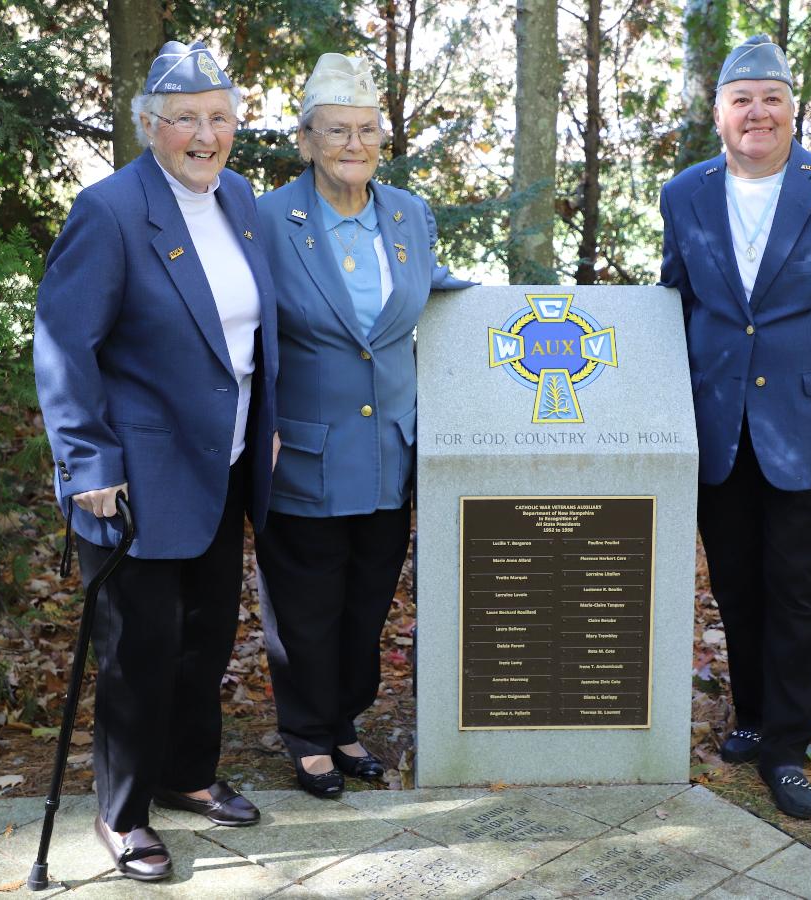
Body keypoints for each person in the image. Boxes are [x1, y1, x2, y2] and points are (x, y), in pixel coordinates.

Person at [34, 41, 279, 879]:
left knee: (207, 637)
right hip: (135, 476)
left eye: (219, 117)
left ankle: (186, 777)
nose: (205, 135)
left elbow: (247, 333)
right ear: (149, 126)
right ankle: (123, 812)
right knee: (140, 648)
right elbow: (65, 345)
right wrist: (85, 461)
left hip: (227, 461)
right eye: (186, 119)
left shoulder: (240, 199)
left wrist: (268, 417)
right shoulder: (107, 211)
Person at [660, 34, 811, 819]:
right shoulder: (684, 193)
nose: (756, 112)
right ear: (719, 113)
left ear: (793, 110)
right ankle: (754, 715)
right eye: (742, 100)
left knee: (801, 591)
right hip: (718, 425)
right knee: (737, 584)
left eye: (771, 98)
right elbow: (675, 304)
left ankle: (788, 746)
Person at [254, 53, 471, 797]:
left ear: (384, 138)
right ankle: (308, 733)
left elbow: (433, 291)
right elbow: (238, 325)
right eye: (336, 131)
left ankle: (344, 722)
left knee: (368, 599)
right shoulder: (266, 220)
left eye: (367, 130)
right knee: (306, 605)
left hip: (389, 453)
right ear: (306, 140)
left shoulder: (408, 213)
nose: (354, 143)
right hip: (304, 450)